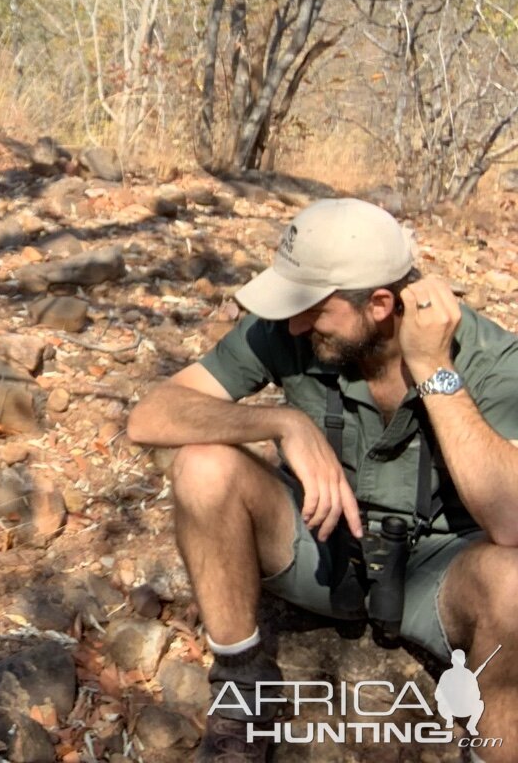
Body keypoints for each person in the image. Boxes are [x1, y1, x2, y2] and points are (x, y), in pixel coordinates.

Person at [127, 198, 518, 762]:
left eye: (311, 307)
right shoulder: (293, 329)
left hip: (440, 573)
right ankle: (243, 687)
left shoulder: (490, 358)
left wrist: (435, 372)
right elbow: (150, 416)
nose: (293, 323)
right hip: (322, 541)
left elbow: (510, 520)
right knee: (202, 465)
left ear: (380, 304)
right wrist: (283, 422)